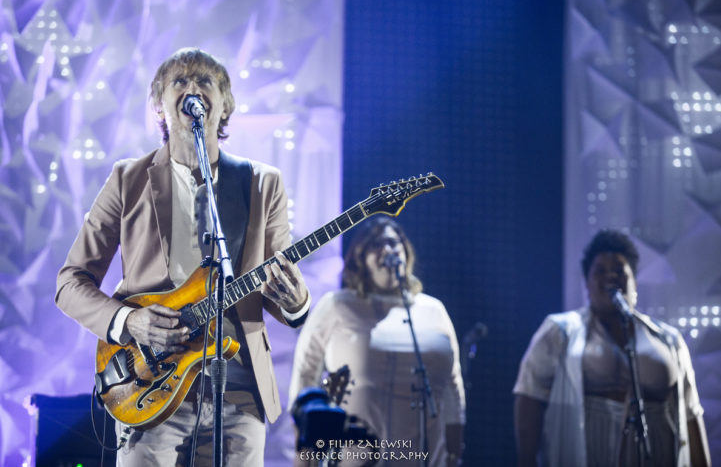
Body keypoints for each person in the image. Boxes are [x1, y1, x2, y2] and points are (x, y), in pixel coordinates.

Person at [55, 48, 311, 465]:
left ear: (225, 104)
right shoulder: (128, 179)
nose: (193, 88)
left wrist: (297, 302)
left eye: (205, 81)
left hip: (239, 392)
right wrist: (128, 321)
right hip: (149, 383)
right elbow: (70, 282)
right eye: (180, 81)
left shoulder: (263, 183)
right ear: (159, 104)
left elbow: (280, 293)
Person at [513, 229, 711, 467]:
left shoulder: (668, 340)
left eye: (619, 270)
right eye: (600, 271)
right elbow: (529, 397)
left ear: (634, 282)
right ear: (587, 283)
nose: (611, 277)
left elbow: (691, 414)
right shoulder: (559, 332)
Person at [288, 216, 466, 467]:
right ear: (360, 259)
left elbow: (453, 386)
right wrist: (305, 453)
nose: (388, 250)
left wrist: (454, 450)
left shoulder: (434, 310)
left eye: (394, 243)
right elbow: (305, 378)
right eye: (376, 244)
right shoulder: (337, 305)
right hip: (355, 454)